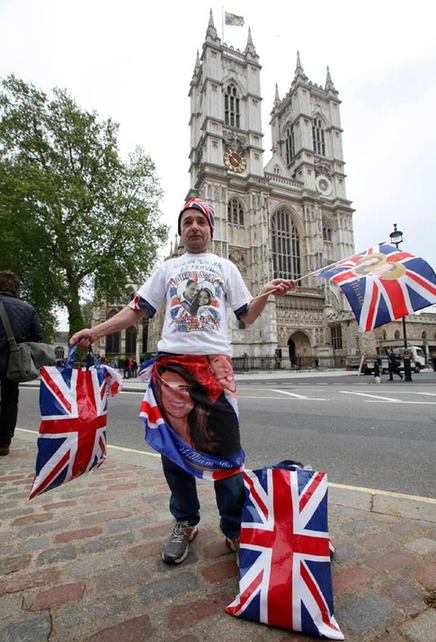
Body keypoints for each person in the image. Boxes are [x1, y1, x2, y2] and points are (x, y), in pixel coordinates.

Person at [70, 197, 294, 565]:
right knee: (174, 454)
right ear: (181, 230)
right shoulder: (167, 268)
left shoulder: (225, 267)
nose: (193, 227)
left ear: (210, 229)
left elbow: (246, 316)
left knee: (227, 451)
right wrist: (95, 332)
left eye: (200, 222)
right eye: (187, 221)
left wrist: (266, 294)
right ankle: (186, 521)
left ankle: (235, 528)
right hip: (171, 367)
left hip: (215, 367)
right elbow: (136, 310)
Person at [0, 271, 42, 456]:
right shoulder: (27, 309)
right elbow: (37, 337)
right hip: (12, 363)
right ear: (16, 287)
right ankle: (3, 443)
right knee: (10, 401)